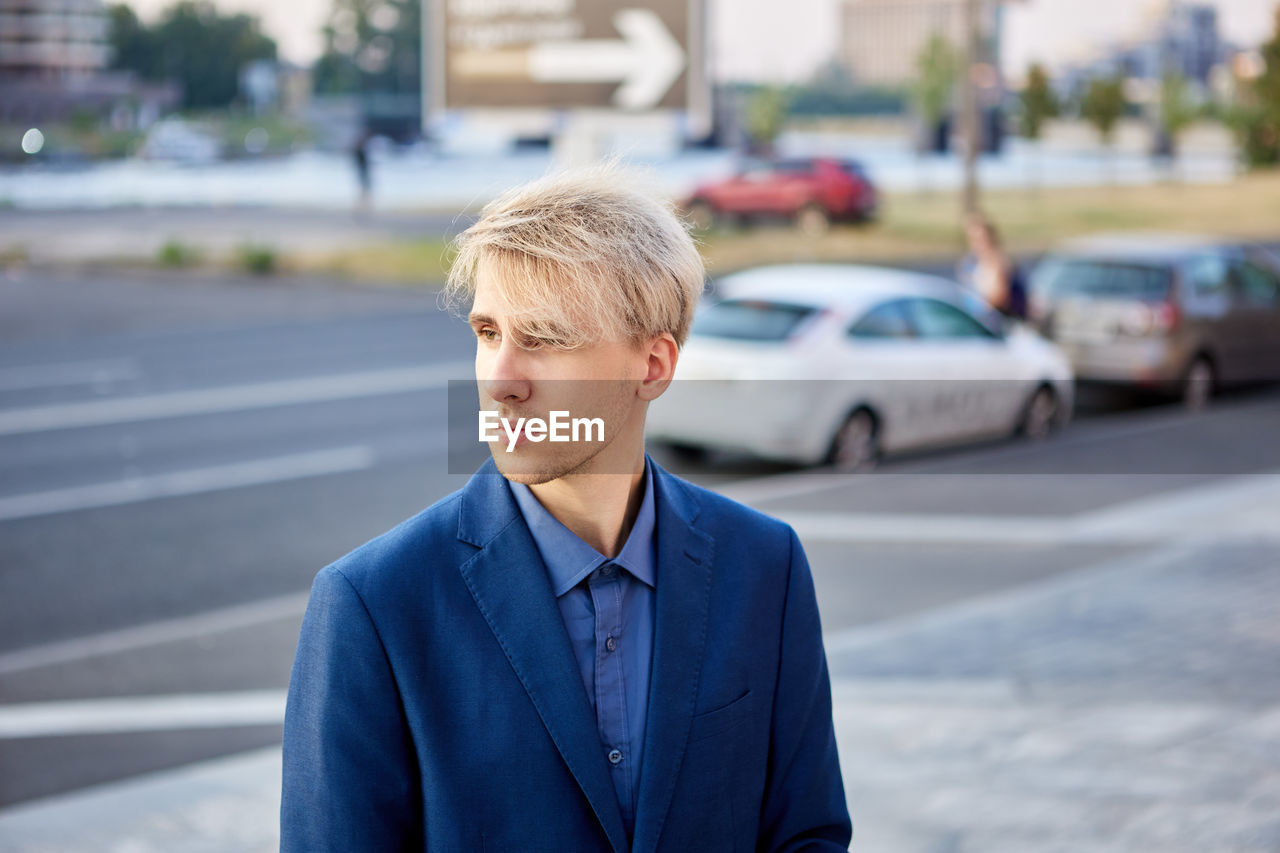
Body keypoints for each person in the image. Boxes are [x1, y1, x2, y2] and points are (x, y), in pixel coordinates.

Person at [280, 164, 852, 852]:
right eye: (488, 332)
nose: (500, 380)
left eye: (545, 338)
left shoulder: (765, 565)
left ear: (653, 365)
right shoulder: (373, 602)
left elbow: (805, 834)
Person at [957, 210, 1026, 321]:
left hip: (1005, 324)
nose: (978, 244)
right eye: (973, 239)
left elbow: (999, 299)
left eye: (982, 238)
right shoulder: (970, 262)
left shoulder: (999, 262)